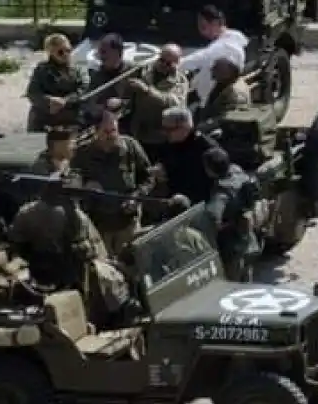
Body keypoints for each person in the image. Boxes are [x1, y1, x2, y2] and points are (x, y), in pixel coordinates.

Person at [69, 109, 158, 255]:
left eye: (114, 130)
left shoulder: (130, 146)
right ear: (96, 132)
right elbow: (69, 187)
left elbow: (149, 177)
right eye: (106, 132)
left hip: (128, 223)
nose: (112, 135)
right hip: (98, 227)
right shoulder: (81, 154)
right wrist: (85, 187)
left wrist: (136, 197)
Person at [203, 146, 261, 281]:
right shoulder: (237, 171)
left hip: (231, 246)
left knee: (233, 285)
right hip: (248, 240)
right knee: (247, 278)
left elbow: (212, 219)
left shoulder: (221, 193)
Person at [181, 5, 248, 107]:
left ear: (216, 23)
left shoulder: (224, 46)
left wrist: (174, 62)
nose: (200, 31)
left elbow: (200, 58)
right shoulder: (235, 37)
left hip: (218, 99)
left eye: (203, 26)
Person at [129, 45, 188, 152]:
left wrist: (147, 91)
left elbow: (174, 103)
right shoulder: (144, 70)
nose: (164, 65)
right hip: (137, 129)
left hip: (158, 135)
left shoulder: (180, 81)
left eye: (169, 63)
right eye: (162, 60)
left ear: (177, 64)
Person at [25, 33, 86, 132]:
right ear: (51, 52)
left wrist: (65, 101)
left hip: (71, 115)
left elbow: (84, 89)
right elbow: (32, 92)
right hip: (47, 115)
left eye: (68, 50)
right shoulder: (42, 70)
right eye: (61, 52)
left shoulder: (78, 70)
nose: (66, 54)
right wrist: (49, 100)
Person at [158, 106, 218, 206]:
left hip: (201, 205)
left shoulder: (207, 149)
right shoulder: (168, 145)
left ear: (185, 127)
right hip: (176, 203)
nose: (165, 133)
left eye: (169, 129)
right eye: (163, 129)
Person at [196, 59, 251, 132]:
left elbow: (227, 118)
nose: (211, 70)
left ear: (226, 73)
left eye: (216, 68)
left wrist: (201, 127)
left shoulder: (235, 93)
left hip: (222, 131)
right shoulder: (223, 82)